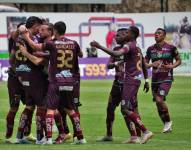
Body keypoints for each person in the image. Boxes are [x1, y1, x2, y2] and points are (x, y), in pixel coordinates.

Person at [20, 21, 86, 144]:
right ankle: (81, 138)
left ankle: (49, 138)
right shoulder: (74, 43)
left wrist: (25, 37)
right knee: (71, 110)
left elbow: (34, 46)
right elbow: (81, 55)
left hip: (56, 81)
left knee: (50, 110)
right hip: (70, 81)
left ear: (54, 31)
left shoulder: (52, 44)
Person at [90, 26, 153, 144]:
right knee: (116, 109)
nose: (116, 37)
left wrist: (99, 46)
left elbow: (142, 64)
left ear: (127, 35)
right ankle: (128, 136)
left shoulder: (128, 47)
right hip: (120, 82)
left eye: (120, 35)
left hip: (129, 82)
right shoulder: (132, 48)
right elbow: (109, 65)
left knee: (128, 109)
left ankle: (143, 132)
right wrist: (146, 80)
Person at [14, 16, 48, 144]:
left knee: (29, 106)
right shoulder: (30, 38)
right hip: (35, 76)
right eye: (39, 26)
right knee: (41, 106)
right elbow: (36, 59)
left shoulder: (20, 37)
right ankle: (40, 138)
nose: (40, 29)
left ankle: (19, 136)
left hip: (25, 76)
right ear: (34, 25)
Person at [144, 28, 181, 133]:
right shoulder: (150, 49)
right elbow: (145, 64)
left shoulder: (171, 48)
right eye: (155, 33)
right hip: (155, 80)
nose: (156, 34)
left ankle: (168, 122)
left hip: (166, 78)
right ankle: (166, 124)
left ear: (164, 36)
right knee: (158, 103)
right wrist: (151, 64)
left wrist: (172, 66)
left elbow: (179, 60)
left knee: (159, 100)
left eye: (159, 33)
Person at [5, 23, 36, 143]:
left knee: (30, 106)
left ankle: (27, 133)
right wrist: (17, 73)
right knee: (14, 107)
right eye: (23, 30)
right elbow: (13, 35)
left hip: (26, 78)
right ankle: (9, 134)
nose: (25, 32)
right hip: (15, 79)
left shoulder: (29, 41)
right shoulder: (14, 39)